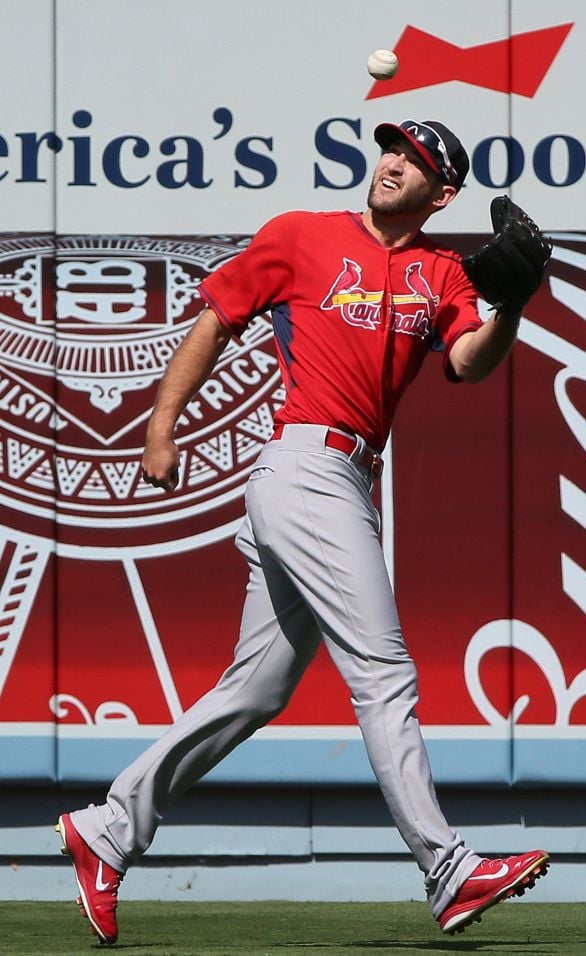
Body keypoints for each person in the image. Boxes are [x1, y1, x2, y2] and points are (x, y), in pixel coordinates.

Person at [56, 118, 549, 945]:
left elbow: (469, 362)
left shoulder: (443, 274)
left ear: (445, 193)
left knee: (257, 691)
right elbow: (214, 320)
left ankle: (108, 828)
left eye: (417, 160)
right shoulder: (301, 236)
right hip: (305, 465)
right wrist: (159, 427)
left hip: (348, 478)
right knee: (384, 673)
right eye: (391, 149)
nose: (394, 162)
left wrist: (511, 305)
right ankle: (449, 868)